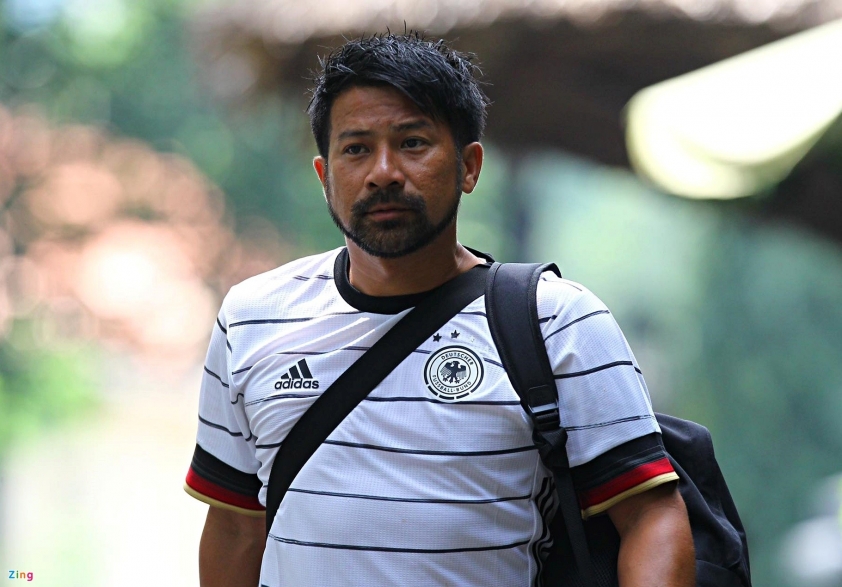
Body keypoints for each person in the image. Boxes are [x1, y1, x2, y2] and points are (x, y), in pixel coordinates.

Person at [184, 32, 695, 587]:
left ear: (469, 166)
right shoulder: (252, 319)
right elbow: (235, 529)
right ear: (324, 176)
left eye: (413, 143)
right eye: (356, 149)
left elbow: (650, 518)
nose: (383, 172)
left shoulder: (557, 323)